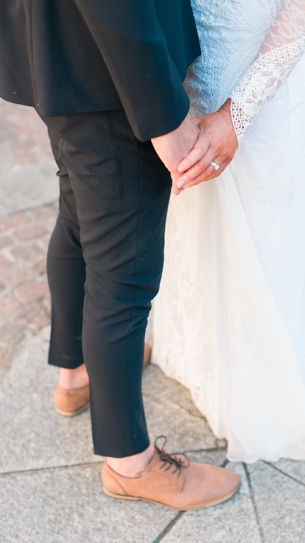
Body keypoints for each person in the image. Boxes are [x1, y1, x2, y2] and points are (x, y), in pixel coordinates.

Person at [0, 1, 240, 508]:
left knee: (79, 220)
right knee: (124, 274)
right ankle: (130, 462)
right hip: (115, 76)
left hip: (59, 54)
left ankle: (77, 372)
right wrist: (164, 120)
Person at [148, 0, 305, 463]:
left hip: (265, 85)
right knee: (194, 222)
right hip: (187, 79)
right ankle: (204, 353)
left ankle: (265, 377)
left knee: (269, 235)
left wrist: (238, 113)